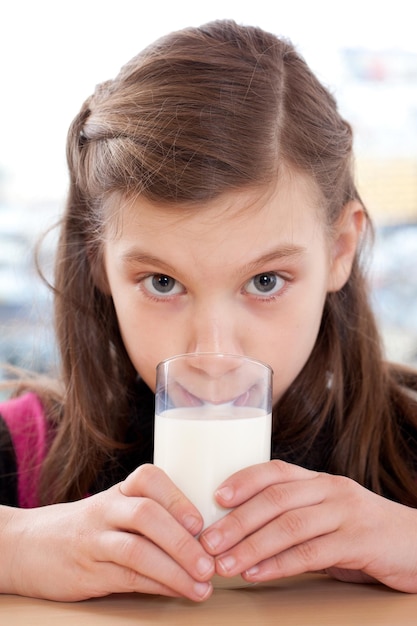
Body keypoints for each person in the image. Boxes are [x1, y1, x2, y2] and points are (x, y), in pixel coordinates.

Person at [1, 19, 417, 603]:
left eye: (265, 281)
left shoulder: (408, 445)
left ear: (340, 250)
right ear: (100, 263)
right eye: (164, 282)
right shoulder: (28, 449)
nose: (214, 356)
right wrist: (15, 545)